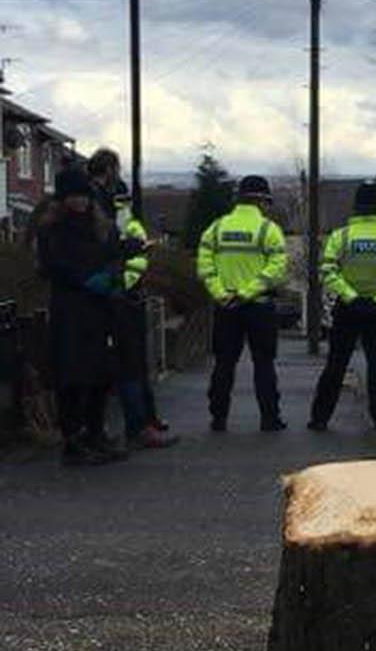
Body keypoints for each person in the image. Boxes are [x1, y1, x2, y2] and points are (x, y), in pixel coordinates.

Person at [35, 160, 126, 465]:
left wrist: (111, 277)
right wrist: (84, 281)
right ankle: (73, 441)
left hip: (99, 313)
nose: (80, 201)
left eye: (83, 196)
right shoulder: (53, 230)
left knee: (101, 376)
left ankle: (95, 434)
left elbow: (115, 256)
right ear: (62, 199)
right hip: (70, 313)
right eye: (74, 196)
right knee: (72, 379)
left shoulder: (101, 227)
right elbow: (51, 266)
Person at [88, 153, 178, 450]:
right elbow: (109, 247)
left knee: (132, 364)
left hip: (120, 292)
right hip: (118, 295)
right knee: (129, 364)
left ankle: (141, 421)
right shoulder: (100, 202)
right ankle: (137, 427)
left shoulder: (103, 200)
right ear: (111, 169)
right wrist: (131, 252)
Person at [307, 181, 376, 432]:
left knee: (336, 364)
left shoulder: (340, 237)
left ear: (355, 206)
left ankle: (320, 419)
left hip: (347, 309)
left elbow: (328, 271)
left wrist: (350, 296)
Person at [198, 173, 289, 432]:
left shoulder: (216, 228)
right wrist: (248, 292)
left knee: (224, 363)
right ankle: (269, 419)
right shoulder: (267, 230)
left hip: (225, 306)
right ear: (262, 201)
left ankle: (218, 418)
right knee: (264, 364)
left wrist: (221, 293)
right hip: (259, 306)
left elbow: (205, 265)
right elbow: (276, 268)